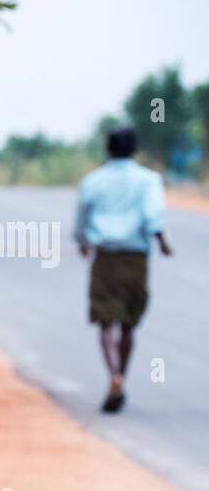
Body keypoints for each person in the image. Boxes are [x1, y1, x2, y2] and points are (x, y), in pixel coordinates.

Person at [73, 125, 173, 413]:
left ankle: (114, 375)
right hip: (135, 258)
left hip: (105, 256)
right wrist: (163, 243)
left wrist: (82, 242)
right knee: (128, 322)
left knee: (106, 321)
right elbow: (153, 217)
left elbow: (81, 217)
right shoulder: (148, 180)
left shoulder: (93, 181)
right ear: (134, 149)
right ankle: (122, 379)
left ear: (108, 148)